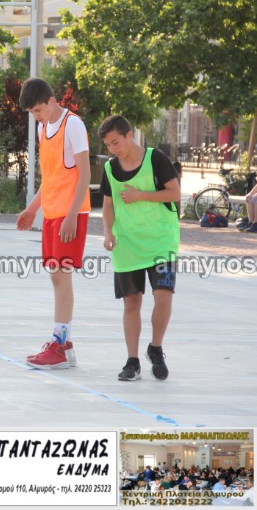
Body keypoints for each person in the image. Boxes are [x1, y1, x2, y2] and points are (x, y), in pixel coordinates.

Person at [16, 78, 91, 369]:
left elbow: (85, 175)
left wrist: (72, 215)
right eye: (32, 113)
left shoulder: (73, 125)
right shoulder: (42, 127)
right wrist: (32, 208)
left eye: (38, 110)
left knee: (61, 276)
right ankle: (65, 344)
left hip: (70, 214)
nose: (36, 116)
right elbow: (50, 178)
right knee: (56, 276)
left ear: (51, 101)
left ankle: (59, 345)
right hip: (51, 212)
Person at [99, 115, 180, 382]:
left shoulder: (155, 158)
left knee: (164, 297)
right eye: (108, 145)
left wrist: (139, 196)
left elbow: (174, 193)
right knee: (131, 301)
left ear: (129, 135)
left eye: (116, 142)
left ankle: (155, 348)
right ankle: (132, 361)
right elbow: (108, 204)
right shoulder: (110, 168)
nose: (113, 149)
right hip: (127, 244)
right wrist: (108, 231)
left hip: (161, 242)